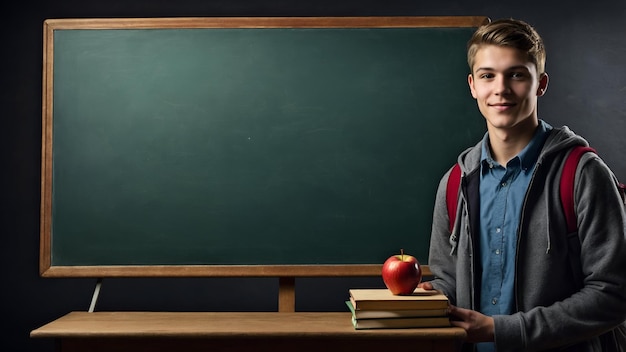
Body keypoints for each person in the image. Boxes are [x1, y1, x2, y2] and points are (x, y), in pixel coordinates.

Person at [419, 18, 626, 351]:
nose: (500, 89)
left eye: (516, 74)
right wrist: (428, 297)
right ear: (473, 86)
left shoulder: (582, 175)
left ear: (540, 84)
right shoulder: (455, 183)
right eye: (488, 76)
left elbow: (614, 294)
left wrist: (502, 330)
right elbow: (449, 282)